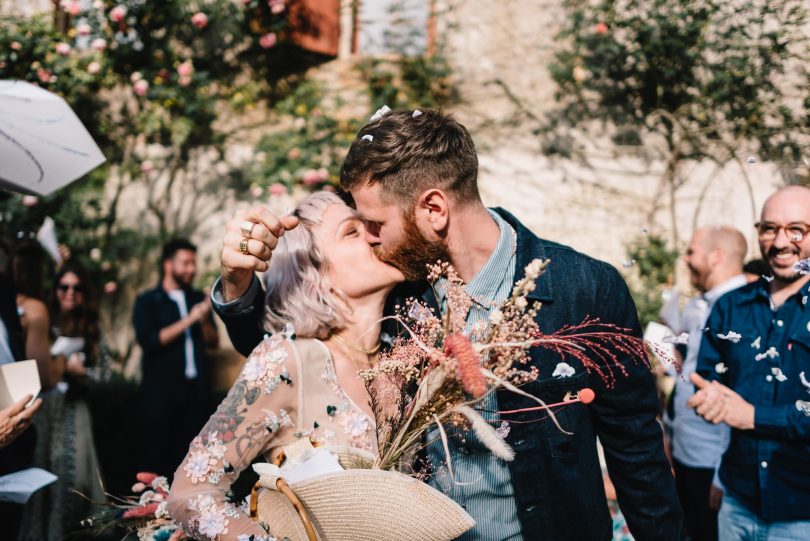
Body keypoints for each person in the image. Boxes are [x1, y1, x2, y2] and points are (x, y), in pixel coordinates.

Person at [212, 108, 682, 539]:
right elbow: (288, 352)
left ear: (434, 210)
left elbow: (637, 453)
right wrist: (237, 284)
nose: (370, 238)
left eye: (374, 222)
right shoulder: (397, 292)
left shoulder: (586, 288)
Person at [168, 192, 404, 539]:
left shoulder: (403, 361)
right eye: (352, 232)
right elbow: (190, 493)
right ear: (315, 275)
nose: (374, 235)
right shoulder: (289, 359)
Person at [688, 185, 810, 540]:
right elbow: (708, 376)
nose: (780, 241)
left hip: (802, 513)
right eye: (769, 228)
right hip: (737, 499)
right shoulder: (730, 306)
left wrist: (754, 417)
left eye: (796, 229)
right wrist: (707, 398)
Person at [20, 264, 108, 540]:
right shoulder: (42, 321)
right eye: (64, 287)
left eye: (77, 288)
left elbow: (105, 376)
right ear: (55, 290)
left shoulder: (93, 327)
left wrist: (83, 373)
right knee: (39, 483)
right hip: (42, 413)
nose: (70, 293)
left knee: (74, 483)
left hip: (74, 412)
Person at [671, 227, 747, 541]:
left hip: (713, 461)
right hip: (684, 448)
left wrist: (722, 473)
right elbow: (687, 367)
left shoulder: (742, 308)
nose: (686, 259)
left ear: (715, 257)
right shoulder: (697, 304)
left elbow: (741, 392)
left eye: (691, 252)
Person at [133, 239, 219, 479]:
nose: (191, 269)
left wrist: (203, 318)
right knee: (157, 461)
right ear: (168, 265)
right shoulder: (148, 301)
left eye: (194, 263)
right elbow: (150, 340)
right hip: (161, 395)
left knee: (193, 463)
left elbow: (213, 342)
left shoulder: (197, 298)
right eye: (185, 263)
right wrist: (190, 320)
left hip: (195, 393)